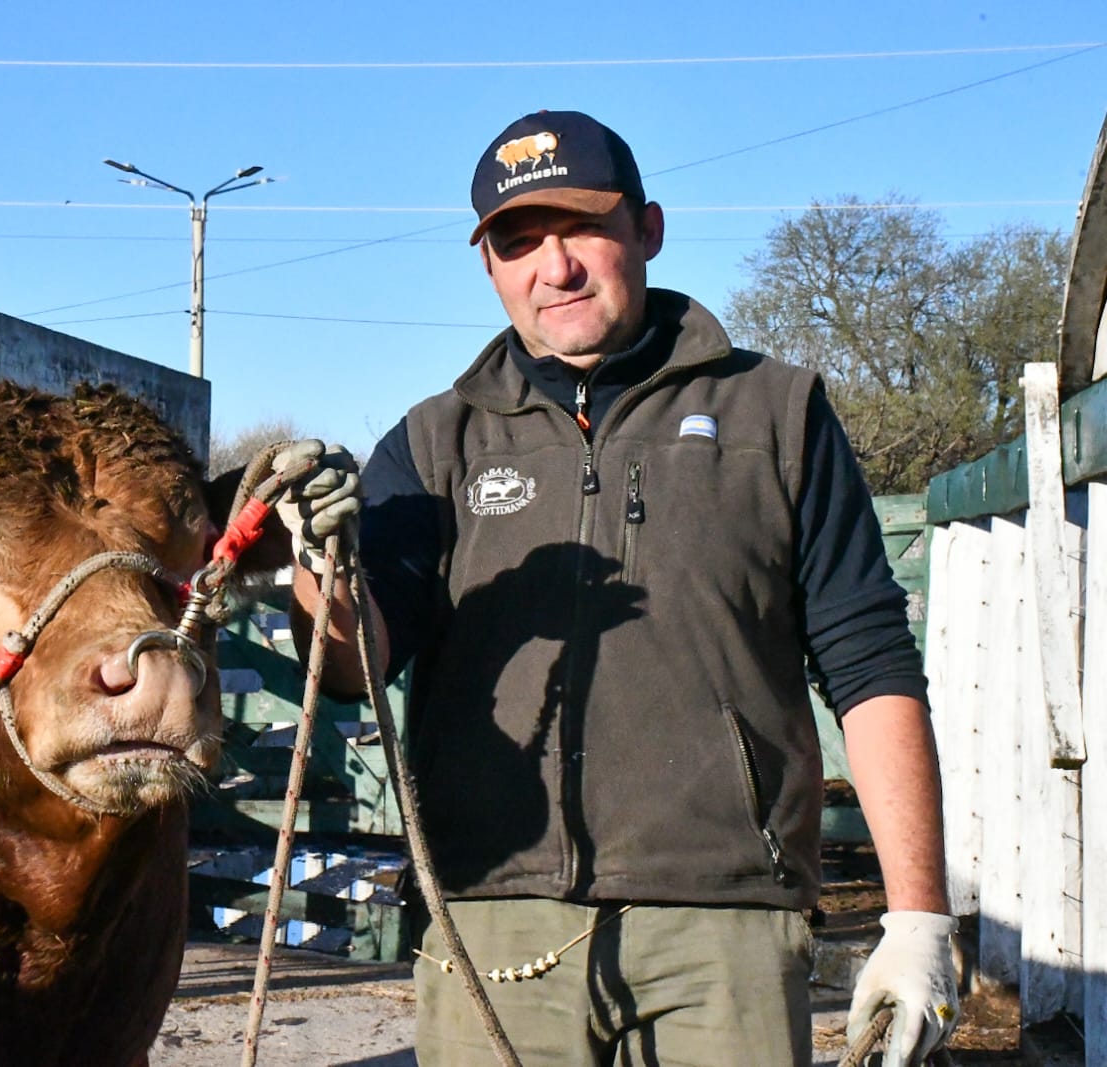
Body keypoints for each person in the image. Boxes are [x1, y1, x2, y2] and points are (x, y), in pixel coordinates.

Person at [271, 109, 960, 1067]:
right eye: (518, 242)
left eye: (581, 227)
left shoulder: (777, 414)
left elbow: (872, 661)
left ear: (649, 229)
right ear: (489, 268)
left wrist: (919, 915)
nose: (553, 267)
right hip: (494, 926)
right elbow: (354, 661)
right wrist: (322, 569)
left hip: (727, 931)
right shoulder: (432, 445)